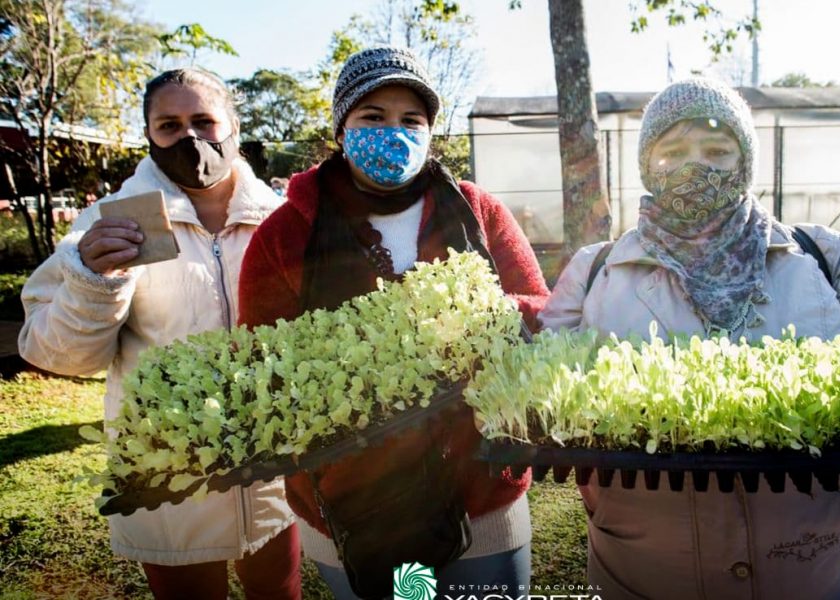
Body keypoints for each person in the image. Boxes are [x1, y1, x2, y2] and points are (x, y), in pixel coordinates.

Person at [539, 78, 840, 600]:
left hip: (807, 560)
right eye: (672, 151)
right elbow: (538, 385)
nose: (694, 166)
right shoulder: (595, 270)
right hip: (645, 562)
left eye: (717, 150)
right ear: (646, 165)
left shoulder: (822, 254)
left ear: (744, 161)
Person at [237, 46, 549, 598]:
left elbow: (539, 309)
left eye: (412, 120)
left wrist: (485, 320)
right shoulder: (286, 233)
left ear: (431, 132)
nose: (394, 133)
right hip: (350, 502)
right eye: (372, 118)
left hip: (481, 494)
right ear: (341, 128)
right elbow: (261, 361)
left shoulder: (477, 211)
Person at [18, 68, 299, 600]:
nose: (189, 138)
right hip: (171, 476)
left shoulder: (284, 221)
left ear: (233, 126)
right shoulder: (106, 225)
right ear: (148, 135)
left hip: (270, 470)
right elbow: (54, 351)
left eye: (203, 121)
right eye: (169, 125)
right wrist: (93, 279)